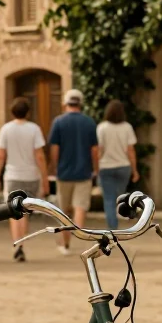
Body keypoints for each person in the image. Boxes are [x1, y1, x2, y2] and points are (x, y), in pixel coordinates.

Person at [0, 96, 47, 261]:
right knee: (25, 211)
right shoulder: (34, 129)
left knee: (13, 211)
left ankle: (18, 244)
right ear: (28, 112)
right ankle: (23, 242)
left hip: (12, 175)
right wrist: (44, 179)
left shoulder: (6, 129)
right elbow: (40, 156)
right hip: (31, 175)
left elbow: (0, 155)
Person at [47, 88, 99, 254]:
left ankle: (65, 244)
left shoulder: (58, 122)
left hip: (64, 172)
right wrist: (95, 168)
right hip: (84, 172)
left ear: (65, 104)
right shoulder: (89, 122)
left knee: (64, 209)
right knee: (80, 207)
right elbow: (95, 150)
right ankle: (80, 238)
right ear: (80, 104)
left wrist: (54, 166)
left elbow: (54, 148)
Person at [95, 100, 139, 229]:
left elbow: (100, 150)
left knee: (108, 200)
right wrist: (135, 170)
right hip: (123, 167)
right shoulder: (127, 127)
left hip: (106, 167)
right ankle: (126, 215)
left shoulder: (101, 127)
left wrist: (96, 168)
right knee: (120, 197)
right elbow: (130, 150)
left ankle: (113, 229)